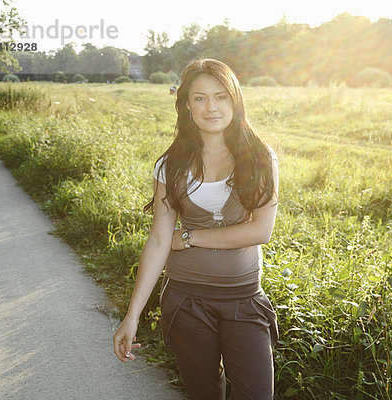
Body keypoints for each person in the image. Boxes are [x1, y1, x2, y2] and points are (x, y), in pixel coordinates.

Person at [113, 58, 279, 400]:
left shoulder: (261, 158)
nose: (211, 107)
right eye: (200, 98)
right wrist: (132, 316)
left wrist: (189, 238)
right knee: (205, 393)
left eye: (220, 96)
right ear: (186, 104)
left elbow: (260, 231)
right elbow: (159, 239)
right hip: (187, 301)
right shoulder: (170, 166)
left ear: (235, 100)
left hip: (244, 298)